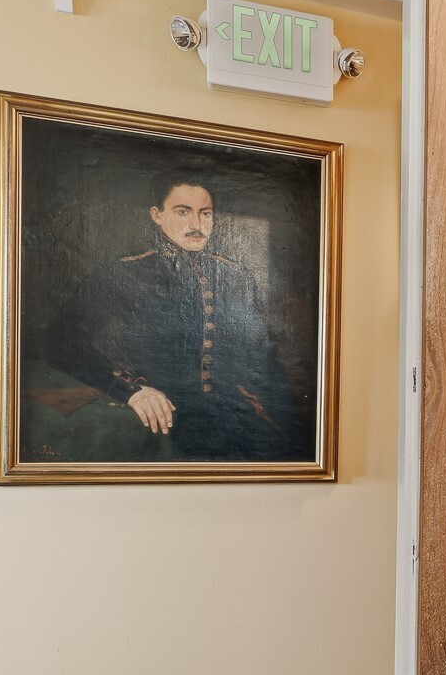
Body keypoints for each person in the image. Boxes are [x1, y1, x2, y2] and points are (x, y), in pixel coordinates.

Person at [49, 172, 308, 462]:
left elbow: (265, 359)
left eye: (205, 213)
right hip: (167, 419)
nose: (196, 225)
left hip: (234, 418)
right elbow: (60, 342)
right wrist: (131, 391)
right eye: (183, 212)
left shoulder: (237, 277)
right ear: (157, 215)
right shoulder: (123, 271)